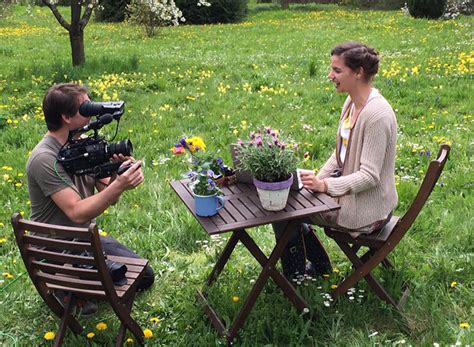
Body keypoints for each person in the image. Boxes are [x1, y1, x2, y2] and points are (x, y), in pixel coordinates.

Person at [274, 42, 398, 282]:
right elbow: (340, 153)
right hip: (351, 196)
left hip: (366, 210)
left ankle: (298, 275)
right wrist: (316, 181)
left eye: (337, 71)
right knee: (292, 197)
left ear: (358, 72)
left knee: (283, 210)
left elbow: (370, 176)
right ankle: (317, 266)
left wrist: (326, 187)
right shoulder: (352, 103)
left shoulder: (377, 116)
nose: (330, 76)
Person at [26, 83, 155, 314]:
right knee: (125, 277)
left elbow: (109, 195)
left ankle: (79, 282)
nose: (91, 113)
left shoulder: (81, 144)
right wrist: (118, 185)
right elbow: (77, 212)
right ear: (66, 117)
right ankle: (64, 282)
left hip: (82, 238)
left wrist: (118, 171)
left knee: (145, 277)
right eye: (85, 109)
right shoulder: (44, 158)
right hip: (56, 249)